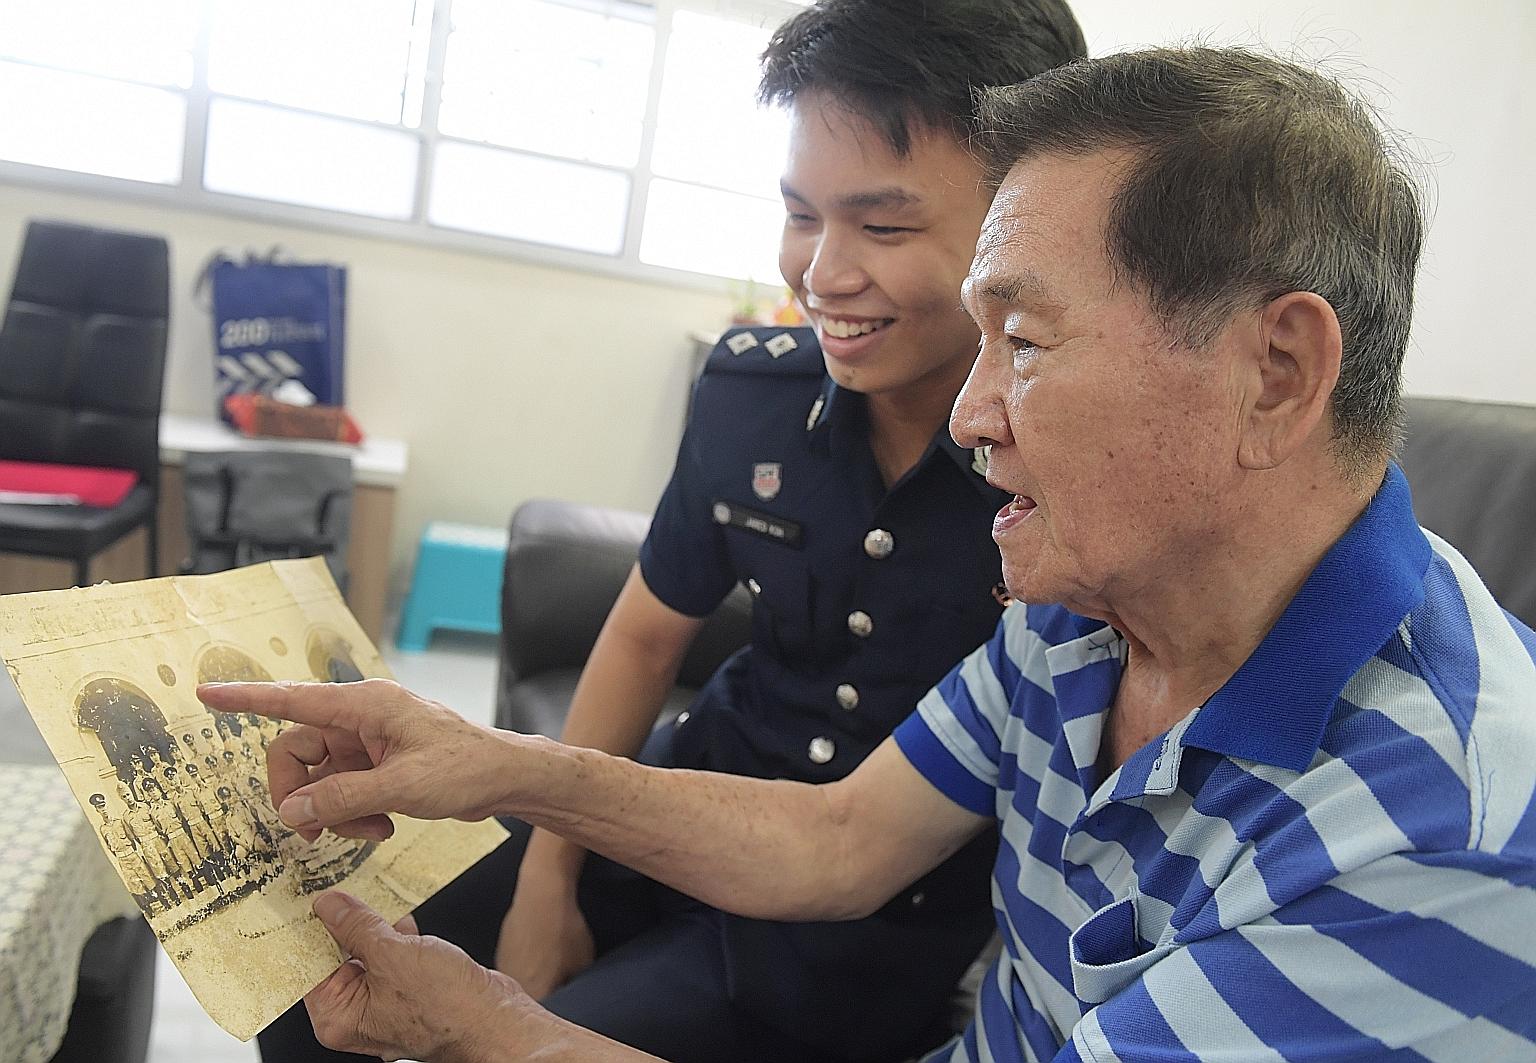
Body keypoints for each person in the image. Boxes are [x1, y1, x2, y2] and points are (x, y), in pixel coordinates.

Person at [205, 45, 1536, 1062]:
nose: (970, 414)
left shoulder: (1432, 844)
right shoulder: (1091, 603)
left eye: (1025, 338)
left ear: (1278, 370)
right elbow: (842, 836)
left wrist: (500, 1027)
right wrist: (498, 764)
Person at [255, 3, 1086, 1062]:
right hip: (666, 810)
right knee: (318, 986)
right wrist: (549, 878)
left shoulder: (1062, 475)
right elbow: (647, 634)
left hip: (853, 930)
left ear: (1024, 217)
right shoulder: (752, 394)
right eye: (800, 214)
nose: (822, 273)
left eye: (882, 227)